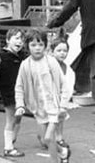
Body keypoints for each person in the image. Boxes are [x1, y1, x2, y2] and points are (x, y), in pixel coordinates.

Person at [15, 29, 72, 163]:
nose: (37, 48)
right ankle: (62, 153)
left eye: (40, 45)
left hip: (53, 106)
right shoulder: (25, 65)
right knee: (47, 140)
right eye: (33, 45)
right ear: (27, 46)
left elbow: (64, 84)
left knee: (47, 138)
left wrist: (63, 105)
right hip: (39, 108)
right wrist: (20, 105)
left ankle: (60, 156)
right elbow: (19, 86)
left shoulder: (51, 62)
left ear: (45, 46)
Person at [0, 28, 27, 157]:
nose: (19, 41)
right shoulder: (2, 56)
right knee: (10, 119)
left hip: (21, 92)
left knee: (18, 118)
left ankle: (12, 139)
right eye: (16, 38)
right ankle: (8, 147)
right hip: (8, 92)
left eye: (22, 39)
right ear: (7, 40)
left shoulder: (22, 56)